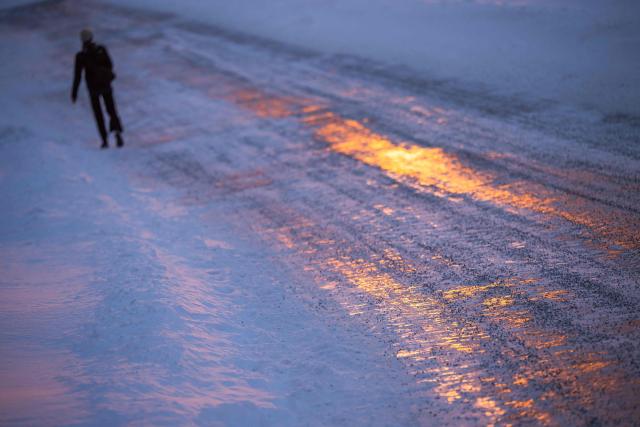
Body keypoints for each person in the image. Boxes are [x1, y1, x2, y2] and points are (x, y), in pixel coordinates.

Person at [71, 28, 124, 149]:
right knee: (111, 110)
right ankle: (117, 133)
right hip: (105, 85)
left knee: (98, 114)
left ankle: (104, 140)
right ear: (92, 37)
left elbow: (77, 76)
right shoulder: (101, 49)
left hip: (93, 89)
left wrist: (74, 93)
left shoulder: (81, 56)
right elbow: (110, 65)